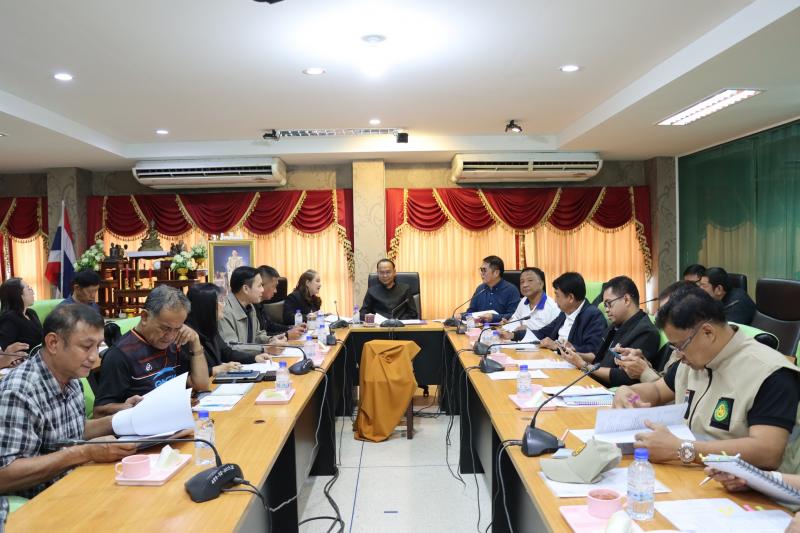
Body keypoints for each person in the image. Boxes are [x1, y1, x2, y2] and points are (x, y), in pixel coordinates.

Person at [612, 286, 800, 469]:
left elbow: (767, 452)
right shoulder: (693, 360)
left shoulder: (770, 373)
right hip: (696, 473)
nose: (678, 355)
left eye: (680, 346)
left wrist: (682, 449)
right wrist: (628, 392)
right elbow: (657, 390)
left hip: (747, 487)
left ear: (708, 332)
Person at [0, 305, 137, 508]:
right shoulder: (19, 391)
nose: (94, 357)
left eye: (98, 346)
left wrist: (128, 417)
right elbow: (5, 474)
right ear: (53, 343)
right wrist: (85, 452)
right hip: (38, 504)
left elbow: (72, 430)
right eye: (86, 347)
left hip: (76, 485)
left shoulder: (71, 379)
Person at [93, 285, 210, 417]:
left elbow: (201, 386)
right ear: (144, 317)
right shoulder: (119, 355)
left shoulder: (174, 344)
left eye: (178, 328)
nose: (170, 337)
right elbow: (99, 412)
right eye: (165, 328)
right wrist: (136, 407)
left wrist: (195, 341)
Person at [559, 276, 660, 387]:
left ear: (626, 300)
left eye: (609, 304)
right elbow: (598, 358)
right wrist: (576, 355)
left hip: (609, 390)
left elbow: (624, 376)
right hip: (591, 381)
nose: (606, 309)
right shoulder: (616, 325)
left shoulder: (645, 332)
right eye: (605, 305)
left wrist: (583, 365)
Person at [613, 280, 696, 383]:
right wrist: (643, 365)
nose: (662, 320)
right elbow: (665, 380)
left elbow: (671, 392)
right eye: (661, 313)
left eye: (668, 313)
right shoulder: (676, 346)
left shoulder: (696, 355)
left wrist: (644, 372)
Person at [185, 283, 272, 376]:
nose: (224, 305)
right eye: (220, 301)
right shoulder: (187, 334)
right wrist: (214, 370)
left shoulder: (209, 327)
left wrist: (254, 358)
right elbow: (185, 374)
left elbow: (226, 353)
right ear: (207, 306)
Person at [510, 272, 606, 355]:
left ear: (570, 298)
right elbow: (543, 333)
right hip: (556, 359)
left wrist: (558, 347)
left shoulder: (593, 316)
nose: (555, 300)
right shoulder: (565, 313)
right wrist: (513, 335)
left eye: (557, 295)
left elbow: (592, 351)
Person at [219, 266, 274, 356]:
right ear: (245, 289)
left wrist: (271, 340)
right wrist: (264, 349)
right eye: (259, 286)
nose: (262, 290)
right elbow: (231, 347)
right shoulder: (224, 311)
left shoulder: (250, 306)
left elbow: (257, 336)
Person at [498, 267, 559, 341]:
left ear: (541, 284)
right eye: (522, 282)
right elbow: (516, 319)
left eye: (530, 280)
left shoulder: (553, 307)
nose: (525, 285)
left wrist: (527, 331)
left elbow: (553, 336)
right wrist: (508, 324)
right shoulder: (523, 301)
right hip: (520, 342)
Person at [253, 266, 305, 340]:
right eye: (274, 286)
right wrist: (286, 335)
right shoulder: (251, 307)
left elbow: (270, 326)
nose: (275, 291)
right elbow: (259, 338)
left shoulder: (259, 304)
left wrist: (291, 328)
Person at [463, 256, 518, 321]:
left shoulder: (511, 290)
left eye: (484, 270)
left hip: (502, 327)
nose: (481, 273)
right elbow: (471, 311)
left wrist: (494, 317)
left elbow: (514, 315)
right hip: (479, 326)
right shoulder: (480, 289)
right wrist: (461, 316)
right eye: (481, 270)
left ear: (496, 273)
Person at [0, 278, 43, 355]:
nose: (32, 292)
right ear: (18, 294)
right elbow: (3, 349)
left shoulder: (31, 313)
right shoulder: (9, 319)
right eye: (28, 288)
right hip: (26, 360)